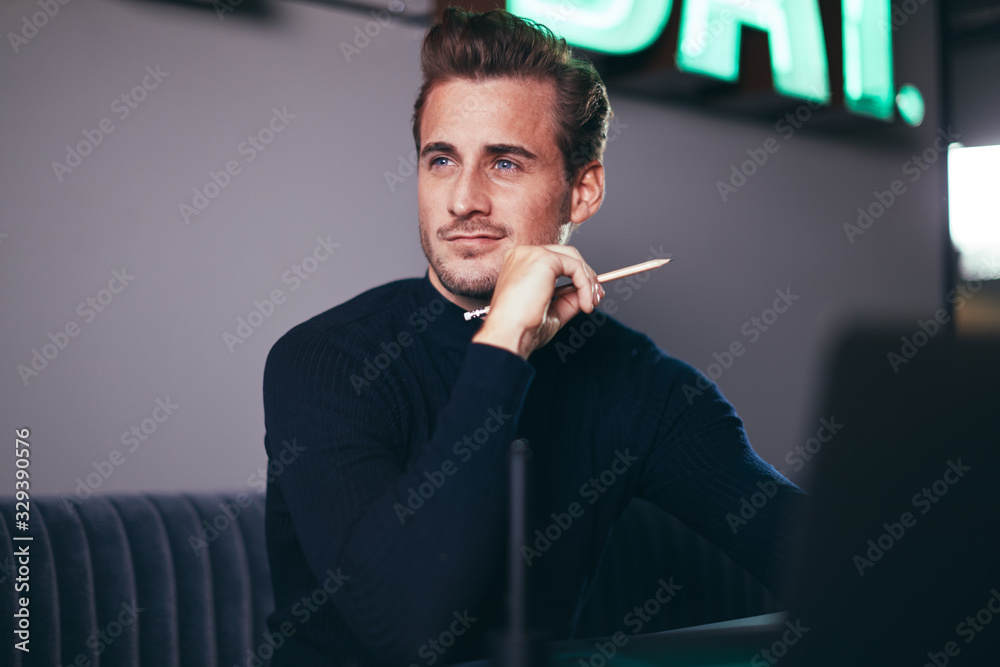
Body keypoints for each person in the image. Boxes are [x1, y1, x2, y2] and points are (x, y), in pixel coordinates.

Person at [261, 7, 805, 666]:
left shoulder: (643, 385)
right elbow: (404, 629)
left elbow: (833, 563)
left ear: (582, 190)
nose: (463, 198)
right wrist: (505, 342)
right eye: (441, 160)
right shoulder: (325, 361)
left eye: (505, 164)